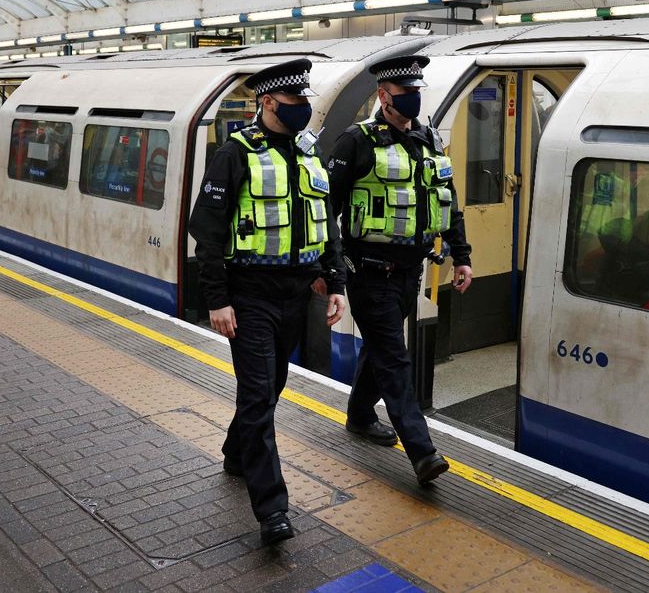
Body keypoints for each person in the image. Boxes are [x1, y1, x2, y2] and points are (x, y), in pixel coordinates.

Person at [188, 58, 348, 547]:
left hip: (296, 294)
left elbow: (324, 222)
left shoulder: (307, 153)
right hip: (250, 294)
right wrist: (217, 300)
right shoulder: (235, 154)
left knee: (272, 385)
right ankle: (272, 509)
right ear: (267, 102)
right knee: (258, 396)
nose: (302, 107)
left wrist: (334, 281)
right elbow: (207, 232)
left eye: (304, 100)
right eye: (294, 101)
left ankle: (237, 454)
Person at [327, 55, 471, 486]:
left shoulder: (428, 140)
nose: (413, 99)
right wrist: (330, 270)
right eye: (405, 93)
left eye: (416, 92)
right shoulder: (356, 143)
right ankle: (422, 451)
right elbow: (326, 211)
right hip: (369, 271)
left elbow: (448, 202)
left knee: (381, 346)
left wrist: (461, 256)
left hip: (410, 272)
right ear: (383, 96)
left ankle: (357, 415)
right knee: (394, 357)